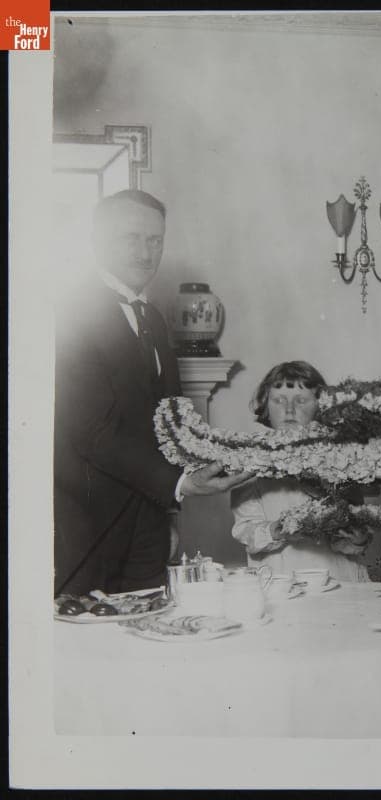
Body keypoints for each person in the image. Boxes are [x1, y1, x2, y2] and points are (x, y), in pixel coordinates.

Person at [54, 189, 252, 597]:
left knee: (151, 621)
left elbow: (169, 422)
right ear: (98, 240)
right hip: (88, 524)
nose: (146, 253)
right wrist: (180, 484)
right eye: (132, 238)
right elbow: (91, 430)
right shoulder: (69, 312)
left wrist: (170, 513)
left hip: (150, 521)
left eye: (155, 240)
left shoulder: (156, 320)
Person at [230, 361, 381, 582]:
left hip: (340, 579)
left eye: (301, 400)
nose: (289, 409)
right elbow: (246, 533)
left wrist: (357, 538)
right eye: (278, 400)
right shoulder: (250, 460)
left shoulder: (342, 457)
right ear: (265, 406)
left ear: (321, 406)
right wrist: (278, 530)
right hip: (282, 580)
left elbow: (349, 538)